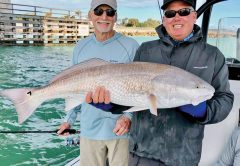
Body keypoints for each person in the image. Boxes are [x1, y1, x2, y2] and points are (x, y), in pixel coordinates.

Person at [86, 0, 234, 165]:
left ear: (194, 16)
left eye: (183, 12)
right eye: (170, 13)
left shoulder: (212, 55)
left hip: (183, 156)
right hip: (141, 154)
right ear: (164, 19)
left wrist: (203, 111)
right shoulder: (146, 50)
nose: (176, 18)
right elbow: (131, 95)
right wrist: (111, 104)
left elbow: (224, 100)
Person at [57, 0, 139, 166]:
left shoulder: (131, 46)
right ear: (90, 15)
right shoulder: (80, 47)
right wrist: (69, 120)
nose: (104, 16)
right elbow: (73, 88)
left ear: (116, 17)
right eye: (99, 11)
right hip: (89, 131)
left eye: (110, 12)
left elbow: (140, 90)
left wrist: (128, 117)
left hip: (121, 133)